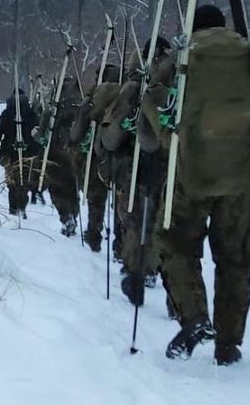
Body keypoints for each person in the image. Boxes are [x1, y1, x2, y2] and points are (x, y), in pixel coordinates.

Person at [146, 4, 250, 366]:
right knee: (235, 259)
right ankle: (229, 344)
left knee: (176, 245)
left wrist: (173, 144)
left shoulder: (180, 60)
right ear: (224, 26)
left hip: (192, 173)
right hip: (245, 177)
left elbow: (156, 106)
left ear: (195, 28)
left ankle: (195, 318)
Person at [102, 37, 173, 309]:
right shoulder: (179, 84)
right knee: (165, 224)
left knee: (135, 220)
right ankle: (173, 289)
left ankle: (137, 275)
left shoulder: (134, 89)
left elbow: (111, 138)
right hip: (172, 166)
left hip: (138, 166)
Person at [69, 64, 121, 251]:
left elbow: (78, 129)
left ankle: (94, 234)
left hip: (96, 155)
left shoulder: (95, 97)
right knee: (122, 202)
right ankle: (120, 244)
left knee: (96, 198)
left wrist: (74, 142)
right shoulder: (129, 95)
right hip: (122, 158)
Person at [37, 75, 83, 237]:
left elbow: (41, 133)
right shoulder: (80, 108)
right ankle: (73, 216)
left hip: (55, 155)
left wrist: (41, 139)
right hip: (74, 155)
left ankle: (66, 217)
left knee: (57, 189)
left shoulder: (52, 110)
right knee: (72, 190)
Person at [0, 90, 40, 218]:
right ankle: (22, 208)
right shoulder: (31, 114)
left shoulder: (6, 114)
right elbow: (38, 133)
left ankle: (13, 209)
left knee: (12, 182)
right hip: (28, 153)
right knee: (24, 180)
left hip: (8, 152)